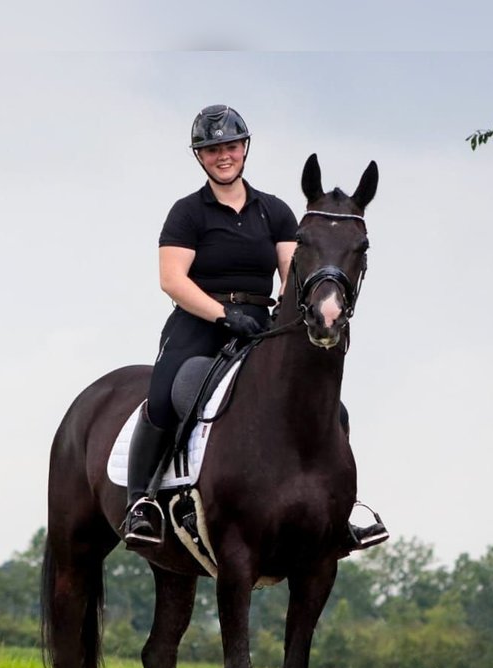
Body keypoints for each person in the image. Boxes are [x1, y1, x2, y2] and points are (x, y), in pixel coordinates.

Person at [122, 104, 388, 553]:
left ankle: (343, 508)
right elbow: (172, 279)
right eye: (212, 150)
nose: (222, 156)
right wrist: (223, 315)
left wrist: (300, 315)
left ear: (244, 149)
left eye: (230, 146)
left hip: (261, 323)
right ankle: (142, 502)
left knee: (330, 408)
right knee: (166, 396)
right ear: (199, 157)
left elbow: (294, 272)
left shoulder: (276, 212)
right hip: (199, 322)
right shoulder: (188, 213)